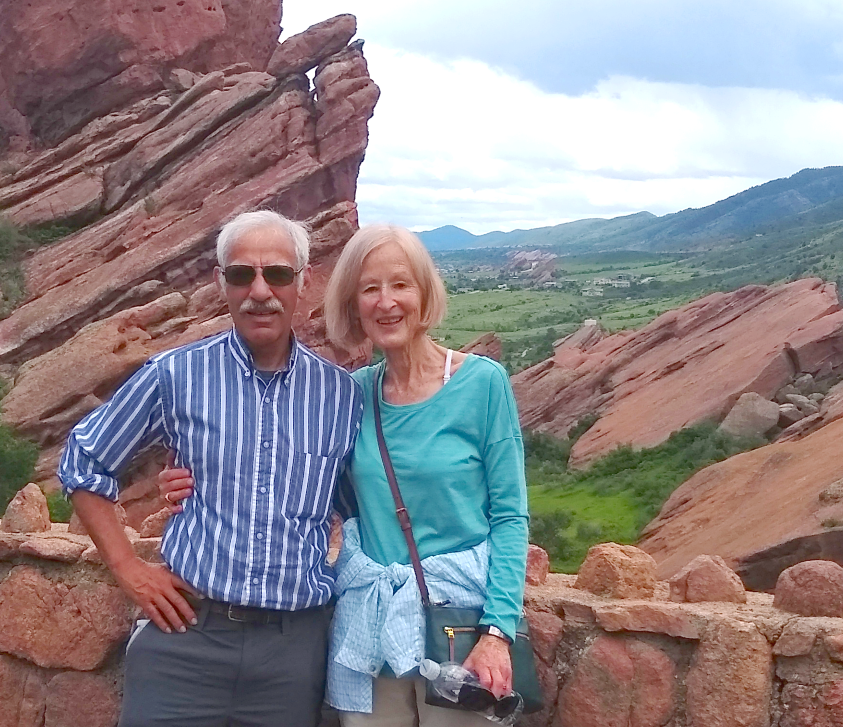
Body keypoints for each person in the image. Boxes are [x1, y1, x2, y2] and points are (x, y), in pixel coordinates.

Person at [60, 210, 364, 727]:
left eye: (278, 274)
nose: (260, 291)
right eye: (242, 274)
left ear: (304, 282)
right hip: (186, 640)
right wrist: (129, 569)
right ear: (221, 282)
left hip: (293, 655)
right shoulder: (176, 375)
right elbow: (84, 460)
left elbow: (365, 505)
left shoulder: (340, 397)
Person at [322, 224, 529, 726]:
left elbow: (510, 517)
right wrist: (195, 482)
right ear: (353, 305)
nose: (386, 302)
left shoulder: (482, 383)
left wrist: (498, 632)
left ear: (424, 293)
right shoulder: (354, 394)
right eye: (369, 288)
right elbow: (298, 476)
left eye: (400, 285)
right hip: (372, 627)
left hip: (458, 631)